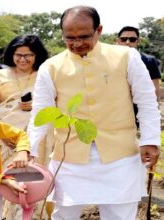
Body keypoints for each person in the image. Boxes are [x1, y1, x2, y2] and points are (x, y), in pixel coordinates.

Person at [28, 6, 161, 220]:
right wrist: (29, 149)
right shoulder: (50, 67)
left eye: (84, 36)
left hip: (121, 156)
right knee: (64, 215)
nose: (77, 43)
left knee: (120, 215)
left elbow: (146, 101)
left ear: (99, 30)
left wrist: (151, 139)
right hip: (69, 158)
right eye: (69, 38)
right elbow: (41, 112)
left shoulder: (126, 57)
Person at [0, 34, 55, 219]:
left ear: (37, 55)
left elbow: (56, 103)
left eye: (28, 55)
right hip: (5, 140)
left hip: (38, 139)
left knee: (36, 180)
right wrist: (1, 135)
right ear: (11, 54)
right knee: (8, 180)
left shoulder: (45, 73)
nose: (23, 59)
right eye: (19, 54)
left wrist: (37, 106)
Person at [116, 26, 161, 101]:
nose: (127, 42)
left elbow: (155, 89)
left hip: (141, 106)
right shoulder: (110, 60)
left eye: (132, 39)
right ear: (118, 41)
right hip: (118, 107)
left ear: (138, 41)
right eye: (123, 39)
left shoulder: (149, 60)